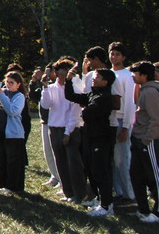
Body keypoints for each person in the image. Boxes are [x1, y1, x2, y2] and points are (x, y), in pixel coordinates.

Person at [65, 67, 117, 216]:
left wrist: (85, 110)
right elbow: (71, 96)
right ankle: (100, 201)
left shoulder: (105, 97)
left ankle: (107, 205)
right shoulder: (93, 94)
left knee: (101, 171)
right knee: (92, 170)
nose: (94, 79)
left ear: (106, 82)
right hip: (89, 137)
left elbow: (87, 114)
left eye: (97, 77)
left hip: (101, 138)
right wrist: (68, 80)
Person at [41, 58, 89, 203]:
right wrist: (45, 87)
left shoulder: (75, 87)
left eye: (65, 73)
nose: (62, 76)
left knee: (74, 163)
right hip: (54, 128)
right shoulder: (52, 88)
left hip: (71, 129)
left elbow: (75, 112)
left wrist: (68, 132)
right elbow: (46, 104)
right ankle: (68, 192)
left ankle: (80, 193)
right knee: (60, 162)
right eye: (59, 73)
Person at [0, 71, 27, 195]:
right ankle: (2, 182)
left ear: (18, 84)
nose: (8, 85)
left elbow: (12, 111)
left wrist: (2, 96)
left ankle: (13, 186)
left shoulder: (19, 96)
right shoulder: (1, 93)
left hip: (13, 134)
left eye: (11, 83)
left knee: (12, 161)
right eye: (6, 82)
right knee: (0, 159)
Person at [128, 61, 159, 222]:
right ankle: (143, 209)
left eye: (135, 73)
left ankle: (157, 212)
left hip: (149, 141)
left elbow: (156, 119)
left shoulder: (151, 93)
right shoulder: (144, 90)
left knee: (154, 177)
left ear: (144, 75)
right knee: (136, 174)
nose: (133, 76)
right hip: (139, 140)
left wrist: (147, 140)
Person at [109, 42, 136, 204]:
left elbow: (130, 103)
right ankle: (119, 191)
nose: (114, 57)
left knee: (124, 158)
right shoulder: (108, 74)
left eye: (117, 54)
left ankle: (130, 195)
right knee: (114, 159)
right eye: (112, 54)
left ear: (124, 57)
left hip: (122, 120)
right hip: (110, 120)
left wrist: (125, 126)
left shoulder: (128, 76)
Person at [28, 65, 61, 188]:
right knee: (47, 151)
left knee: (55, 152)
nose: (47, 74)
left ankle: (61, 178)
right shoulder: (43, 85)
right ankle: (54, 175)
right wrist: (34, 81)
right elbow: (33, 96)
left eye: (50, 71)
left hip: (55, 122)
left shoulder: (56, 86)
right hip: (45, 121)